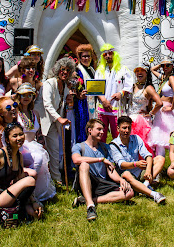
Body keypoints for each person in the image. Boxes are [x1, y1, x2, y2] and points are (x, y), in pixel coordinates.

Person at [0, 123, 43, 224]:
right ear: (7, 140)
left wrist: (33, 202)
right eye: (14, 136)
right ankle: (13, 211)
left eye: (21, 134)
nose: (19, 138)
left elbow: (20, 181)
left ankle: (17, 211)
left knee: (36, 213)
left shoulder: (19, 156)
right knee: (30, 179)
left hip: (8, 195)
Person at [71, 119, 135, 221]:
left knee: (129, 193)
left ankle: (87, 200)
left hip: (102, 183)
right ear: (90, 130)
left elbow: (111, 170)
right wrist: (100, 159)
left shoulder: (105, 147)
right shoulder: (79, 146)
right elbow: (76, 159)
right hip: (88, 181)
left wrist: (120, 180)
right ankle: (90, 206)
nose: (102, 132)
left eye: (103, 130)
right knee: (83, 165)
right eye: (99, 129)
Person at [109, 116, 166, 203]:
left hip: (139, 172)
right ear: (118, 128)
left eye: (129, 128)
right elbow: (121, 165)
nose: (127, 131)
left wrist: (147, 171)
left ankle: (144, 186)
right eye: (124, 128)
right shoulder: (113, 145)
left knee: (160, 159)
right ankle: (154, 194)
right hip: (126, 176)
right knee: (126, 174)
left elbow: (148, 155)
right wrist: (135, 164)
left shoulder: (136, 138)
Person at [38, 57, 74, 185]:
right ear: (58, 70)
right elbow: (47, 104)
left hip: (53, 123)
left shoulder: (64, 86)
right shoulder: (49, 83)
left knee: (54, 149)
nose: (65, 73)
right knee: (40, 151)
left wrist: (68, 102)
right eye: (63, 70)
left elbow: (61, 107)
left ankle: (56, 178)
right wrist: (59, 118)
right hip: (41, 122)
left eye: (68, 71)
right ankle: (41, 180)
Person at [94, 44, 133, 142]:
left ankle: (118, 154)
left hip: (116, 107)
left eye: (110, 53)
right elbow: (96, 87)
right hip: (103, 107)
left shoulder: (123, 69)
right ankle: (101, 154)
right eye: (105, 54)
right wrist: (103, 101)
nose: (107, 56)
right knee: (100, 133)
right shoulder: (100, 70)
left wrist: (121, 93)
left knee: (117, 134)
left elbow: (129, 85)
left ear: (114, 54)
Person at [126, 63, 164, 154]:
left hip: (142, 121)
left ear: (146, 73)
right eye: (137, 71)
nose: (139, 73)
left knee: (142, 144)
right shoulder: (132, 86)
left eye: (142, 71)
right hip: (130, 118)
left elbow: (159, 103)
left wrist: (151, 113)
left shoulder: (148, 88)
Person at [149, 58, 174, 157]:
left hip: (166, 110)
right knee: (159, 139)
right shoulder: (164, 78)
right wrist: (161, 64)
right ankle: (159, 163)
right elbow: (152, 69)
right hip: (160, 110)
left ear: (172, 67)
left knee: (170, 138)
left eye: (168, 65)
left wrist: (172, 107)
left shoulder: (171, 78)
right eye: (163, 66)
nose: (165, 67)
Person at [74, 43, 96, 138]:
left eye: (88, 56)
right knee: (83, 126)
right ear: (79, 57)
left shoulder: (92, 69)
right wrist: (78, 94)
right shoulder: (77, 70)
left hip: (92, 101)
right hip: (82, 103)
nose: (86, 58)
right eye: (84, 56)